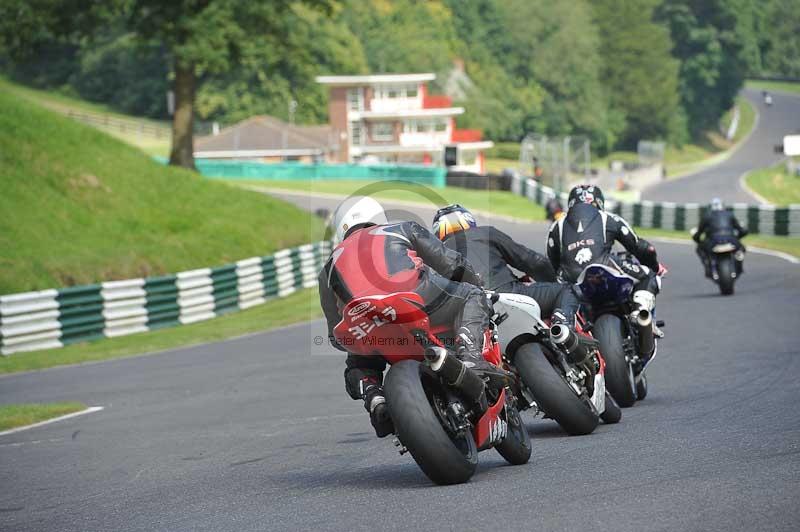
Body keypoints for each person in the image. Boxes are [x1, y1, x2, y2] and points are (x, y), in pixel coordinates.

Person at [319, 196, 498, 438]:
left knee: (358, 363)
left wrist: (364, 334)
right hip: (414, 295)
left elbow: (335, 335)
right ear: (376, 216)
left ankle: (374, 395)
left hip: (367, 323)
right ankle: (470, 356)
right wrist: (474, 283)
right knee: (472, 296)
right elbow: (450, 263)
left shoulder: (327, 269)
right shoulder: (399, 228)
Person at [432, 204, 581, 330]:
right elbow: (531, 260)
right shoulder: (486, 233)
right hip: (509, 293)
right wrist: (553, 280)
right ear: (468, 220)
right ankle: (563, 328)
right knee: (567, 290)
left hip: (471, 313)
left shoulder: (436, 253)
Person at [546, 185, 664, 321]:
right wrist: (654, 266)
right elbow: (643, 248)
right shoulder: (607, 218)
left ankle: (566, 325)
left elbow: (551, 263)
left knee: (557, 298)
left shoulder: (556, 226)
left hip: (570, 278)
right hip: (606, 266)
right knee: (649, 275)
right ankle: (641, 312)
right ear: (599, 202)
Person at [693, 198, 747, 277]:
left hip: (713, 241)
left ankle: (707, 265)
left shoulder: (707, 216)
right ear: (723, 206)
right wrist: (738, 237)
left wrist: (698, 240)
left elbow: (699, 232)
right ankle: (739, 264)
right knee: (741, 248)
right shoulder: (730, 214)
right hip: (731, 240)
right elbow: (740, 229)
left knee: (699, 249)